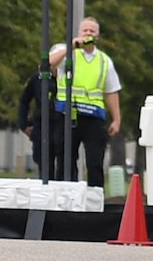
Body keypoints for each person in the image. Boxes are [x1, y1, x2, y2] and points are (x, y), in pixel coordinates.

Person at [51, 18, 122, 188]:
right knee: (65, 160)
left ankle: (95, 202)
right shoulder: (66, 52)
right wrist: (72, 47)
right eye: (85, 31)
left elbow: (111, 91)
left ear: (97, 36)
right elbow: (48, 63)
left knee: (95, 161)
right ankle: (66, 198)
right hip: (68, 116)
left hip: (94, 119)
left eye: (92, 31)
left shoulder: (104, 61)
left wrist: (117, 119)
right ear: (78, 33)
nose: (88, 34)